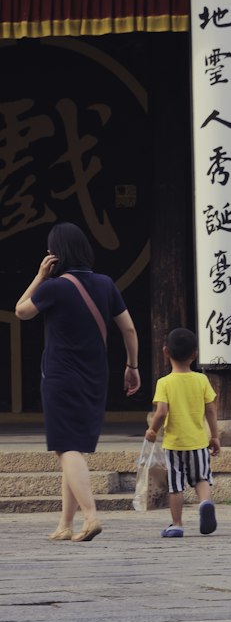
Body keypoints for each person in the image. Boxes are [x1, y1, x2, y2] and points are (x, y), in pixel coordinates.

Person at [14, 221, 141, 543]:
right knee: (73, 448)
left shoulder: (54, 286)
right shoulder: (105, 284)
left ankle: (91, 517)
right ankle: (65, 524)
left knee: (66, 446)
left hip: (60, 375)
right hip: (95, 375)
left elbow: (21, 312)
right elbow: (128, 329)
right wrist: (132, 366)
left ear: (55, 254)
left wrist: (40, 275)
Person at [145, 327, 220, 538]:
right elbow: (211, 409)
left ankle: (177, 524)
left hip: (174, 444)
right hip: (198, 442)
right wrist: (214, 436)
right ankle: (205, 503)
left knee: (176, 486)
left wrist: (152, 430)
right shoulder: (201, 380)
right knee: (201, 479)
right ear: (195, 354)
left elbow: (161, 413)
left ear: (165, 351)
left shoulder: (164, 383)